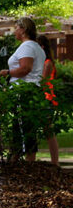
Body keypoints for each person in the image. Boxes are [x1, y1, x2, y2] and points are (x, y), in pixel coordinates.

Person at [0, 17, 45, 161]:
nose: (14, 32)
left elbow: (25, 68)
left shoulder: (27, 46)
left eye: (16, 28)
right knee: (24, 128)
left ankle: (27, 164)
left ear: (23, 29)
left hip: (24, 91)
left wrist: (7, 73)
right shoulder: (36, 47)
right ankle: (18, 162)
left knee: (22, 128)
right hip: (31, 90)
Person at [38, 34, 61, 166]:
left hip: (46, 99)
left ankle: (55, 161)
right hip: (44, 98)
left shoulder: (47, 63)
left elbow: (42, 81)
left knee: (48, 131)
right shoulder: (45, 62)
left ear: (42, 46)